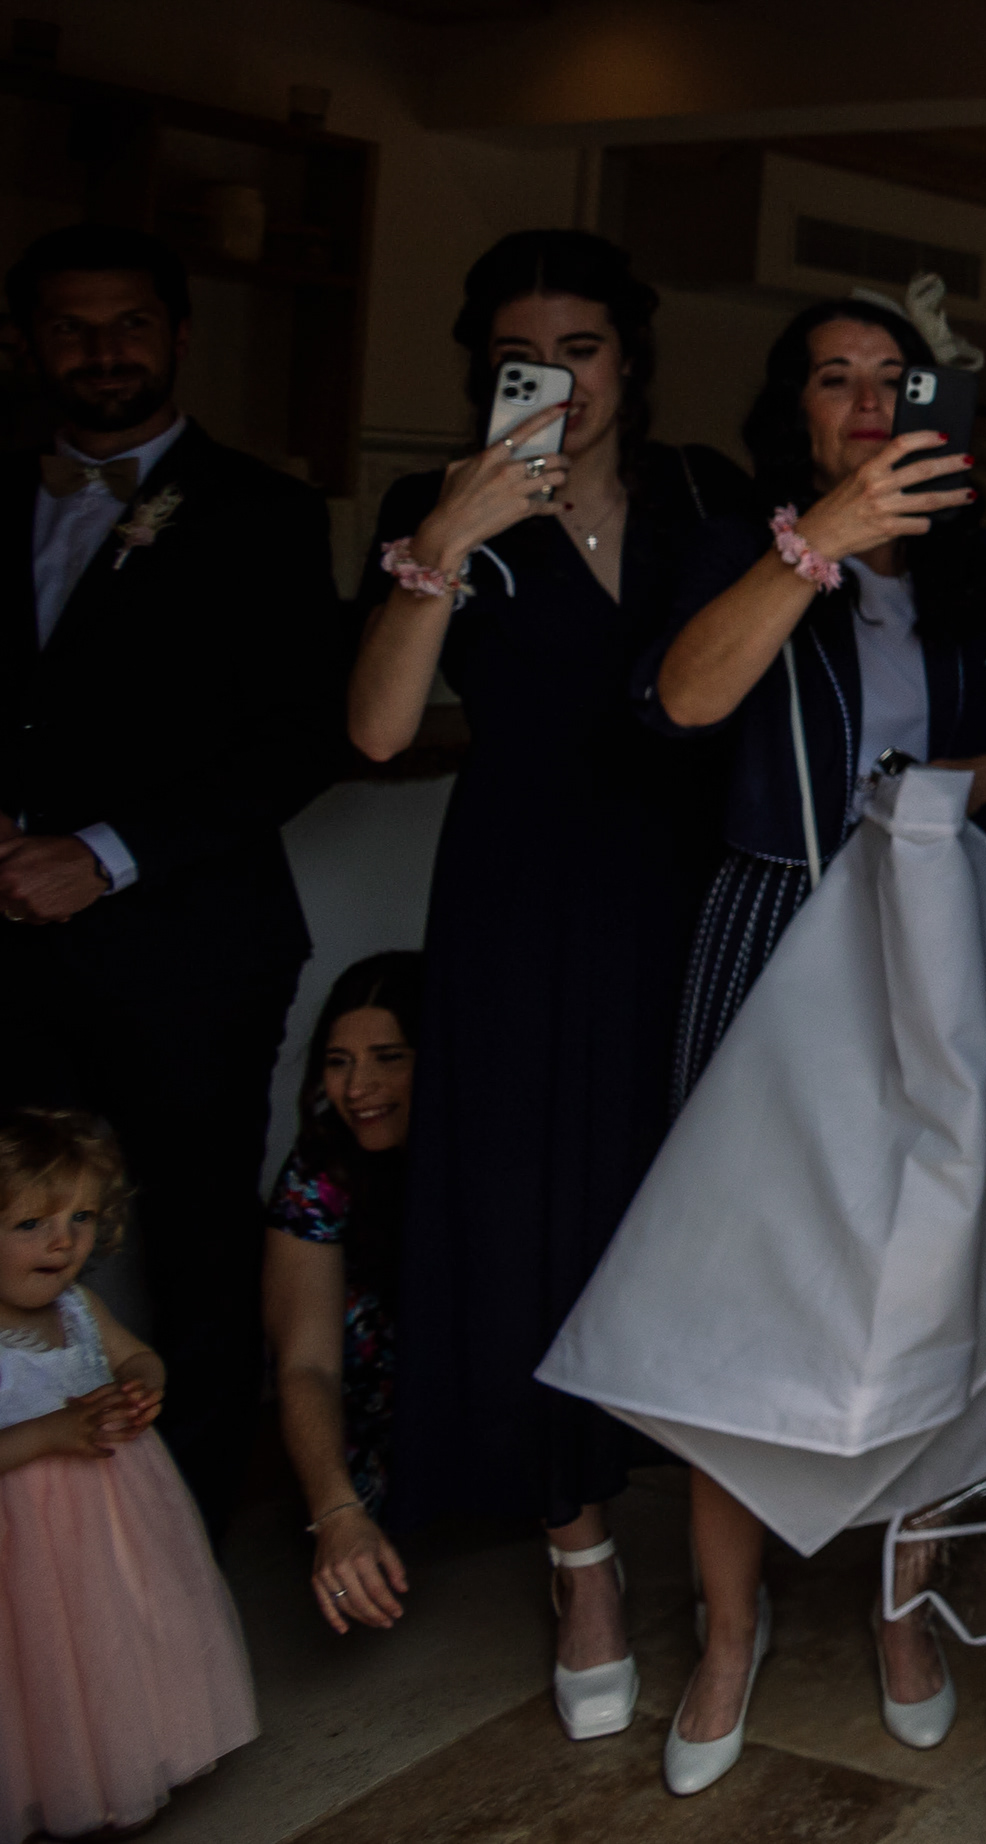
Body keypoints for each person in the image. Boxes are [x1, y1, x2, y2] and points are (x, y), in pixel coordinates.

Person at [348, 229, 756, 1744]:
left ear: (627, 360)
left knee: (686, 1209)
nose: (558, 380)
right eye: (524, 357)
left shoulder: (700, 492)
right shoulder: (435, 504)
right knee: (523, 1213)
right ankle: (578, 1557)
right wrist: (448, 537)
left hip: (686, 885)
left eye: (581, 350)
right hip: (519, 895)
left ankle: (725, 1574)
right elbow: (380, 729)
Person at [618, 291, 986, 1794]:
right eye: (832, 377)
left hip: (929, 941)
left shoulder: (978, 574)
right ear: (791, 409)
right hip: (771, 929)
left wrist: (944, 790)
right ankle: (729, 1630)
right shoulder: (741, 544)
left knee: (927, 1274)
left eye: (890, 378)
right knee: (736, 1290)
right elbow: (682, 700)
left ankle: (903, 1605)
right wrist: (820, 544)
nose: (864, 400)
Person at [0, 222, 347, 1526]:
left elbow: (301, 737)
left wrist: (102, 854)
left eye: (130, 324)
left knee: (198, 1250)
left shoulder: (264, 510)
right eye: (72, 327)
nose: (103, 351)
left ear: (179, 335)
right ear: (29, 343)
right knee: (9, 1239)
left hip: (190, 951)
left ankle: (178, 1543)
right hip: (9, 952)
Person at [0, 1107, 259, 1840]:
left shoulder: (81, 1307)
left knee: (119, 1640)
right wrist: (50, 1432)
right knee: (42, 1665)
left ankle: (131, 1763)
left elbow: (138, 1355)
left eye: (80, 1218)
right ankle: (57, 1785)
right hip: (24, 1545)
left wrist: (145, 1384)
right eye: (31, 1224)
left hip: (114, 1520)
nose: (62, 1241)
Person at [265, 951, 426, 1635]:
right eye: (338, 1062)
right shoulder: (321, 1168)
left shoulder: (493, 1158)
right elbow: (306, 1363)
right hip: (377, 1428)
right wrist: (335, 1514)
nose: (358, 1087)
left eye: (389, 1057)